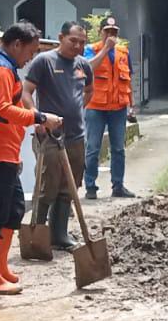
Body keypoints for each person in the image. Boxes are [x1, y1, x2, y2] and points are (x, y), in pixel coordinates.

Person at [0, 21, 62, 296]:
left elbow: (12, 106)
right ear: (17, 44)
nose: (30, 58)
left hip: (2, 152)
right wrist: (39, 117)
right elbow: (2, 109)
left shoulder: (5, 67)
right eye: (30, 51)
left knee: (13, 209)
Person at [22, 20, 94, 251]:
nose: (78, 46)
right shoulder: (45, 61)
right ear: (61, 37)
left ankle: (59, 235)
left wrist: (78, 109)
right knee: (47, 185)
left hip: (76, 136)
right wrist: (37, 118)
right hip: (50, 136)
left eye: (82, 42)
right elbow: (26, 91)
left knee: (69, 186)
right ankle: (37, 235)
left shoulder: (83, 64)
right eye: (73, 41)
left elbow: (89, 90)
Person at [83, 15, 135, 200]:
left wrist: (132, 105)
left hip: (118, 107)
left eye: (114, 32)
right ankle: (90, 187)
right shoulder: (91, 49)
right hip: (95, 106)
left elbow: (128, 79)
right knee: (93, 148)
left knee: (119, 149)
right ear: (101, 32)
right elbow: (88, 68)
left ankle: (118, 186)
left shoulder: (124, 52)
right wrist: (105, 49)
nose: (111, 35)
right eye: (108, 31)